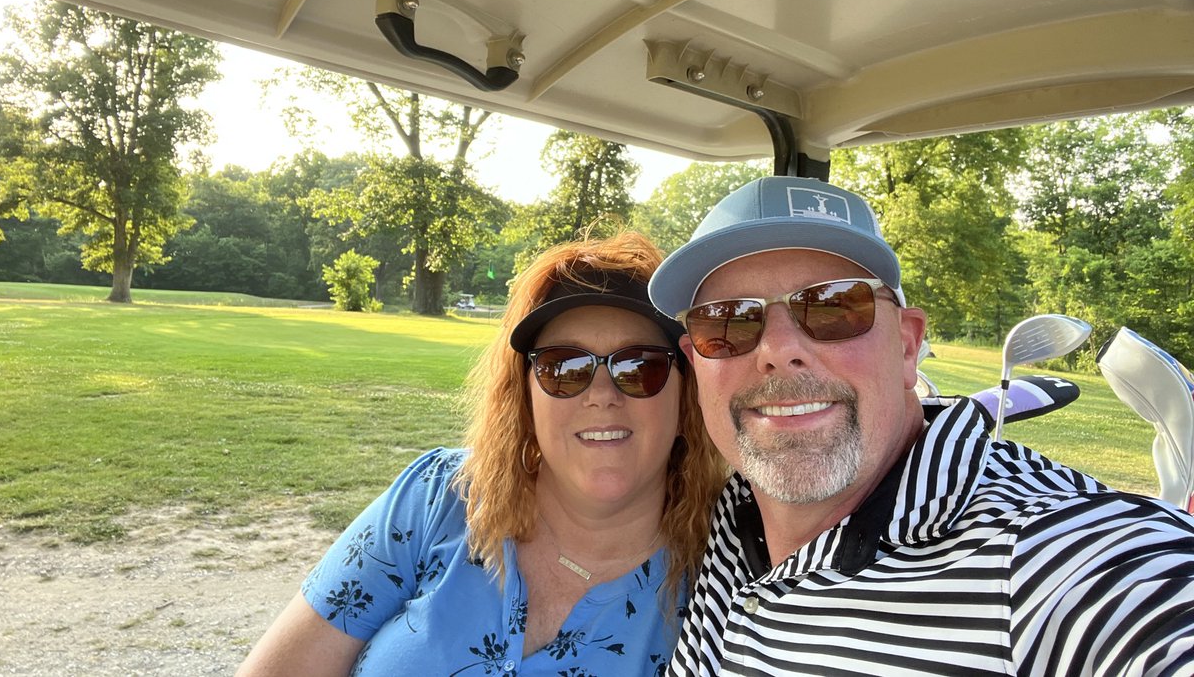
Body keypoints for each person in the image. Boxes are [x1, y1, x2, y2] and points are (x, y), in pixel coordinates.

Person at [647, 175, 1194, 676]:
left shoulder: (1048, 561)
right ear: (697, 363)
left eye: (835, 307)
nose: (778, 350)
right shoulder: (729, 510)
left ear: (907, 345)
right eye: (727, 321)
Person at [236, 231, 724, 677]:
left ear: (686, 396)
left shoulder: (721, 576)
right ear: (525, 396)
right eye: (564, 367)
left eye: (639, 366)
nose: (600, 394)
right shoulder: (438, 498)